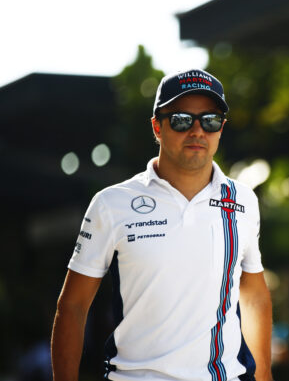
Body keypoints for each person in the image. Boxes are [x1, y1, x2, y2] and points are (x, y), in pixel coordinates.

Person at [51, 69, 273, 381]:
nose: (197, 131)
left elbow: (255, 297)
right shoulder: (111, 204)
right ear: (157, 126)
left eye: (209, 121)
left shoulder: (243, 200)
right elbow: (72, 307)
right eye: (181, 120)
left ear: (221, 128)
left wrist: (264, 376)